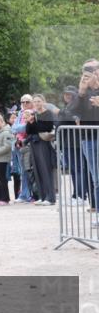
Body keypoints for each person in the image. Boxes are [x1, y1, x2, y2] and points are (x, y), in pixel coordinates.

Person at [69, 59, 99, 219]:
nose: (91, 75)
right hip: (90, 140)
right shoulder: (83, 93)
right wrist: (81, 92)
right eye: (86, 73)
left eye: (94, 70)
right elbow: (70, 111)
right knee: (97, 178)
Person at [25, 94, 57, 205]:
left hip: (44, 143)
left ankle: (50, 197)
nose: (37, 103)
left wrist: (34, 123)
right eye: (35, 101)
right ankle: (42, 196)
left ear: (43, 101)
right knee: (37, 170)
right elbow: (28, 130)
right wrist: (30, 122)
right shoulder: (33, 114)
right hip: (34, 143)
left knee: (46, 169)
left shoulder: (48, 113)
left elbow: (47, 127)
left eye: (39, 101)